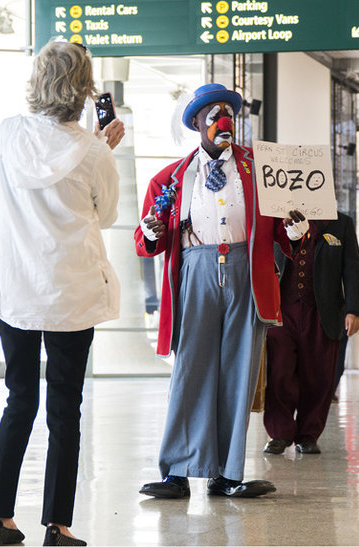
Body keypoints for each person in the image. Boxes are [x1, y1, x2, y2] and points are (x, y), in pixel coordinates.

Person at [0, 41, 125, 547]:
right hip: (70, 292)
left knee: (19, 400)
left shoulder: (8, 133)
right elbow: (105, 216)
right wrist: (104, 147)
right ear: (84, 88)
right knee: (65, 409)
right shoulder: (94, 150)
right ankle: (57, 527)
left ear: (37, 81)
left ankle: (0, 519)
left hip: (14, 285)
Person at [134, 83, 308, 499]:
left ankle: (227, 474)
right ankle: (177, 470)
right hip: (196, 268)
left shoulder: (261, 171)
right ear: (196, 122)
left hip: (247, 270)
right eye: (212, 113)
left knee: (239, 372)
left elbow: (287, 229)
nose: (222, 120)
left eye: (228, 111)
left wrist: (297, 232)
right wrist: (149, 231)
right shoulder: (170, 178)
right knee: (190, 369)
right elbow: (146, 241)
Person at [263, 213, 359, 455]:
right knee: (279, 372)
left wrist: (354, 310)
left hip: (323, 311)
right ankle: (279, 433)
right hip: (281, 309)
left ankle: (308, 435)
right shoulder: (277, 217)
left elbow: (352, 267)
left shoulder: (342, 223)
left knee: (319, 376)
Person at [332, 292, 359, 402]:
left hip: (337, 324)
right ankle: (330, 392)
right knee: (339, 359)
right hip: (345, 325)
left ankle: (327, 392)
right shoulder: (358, 293)